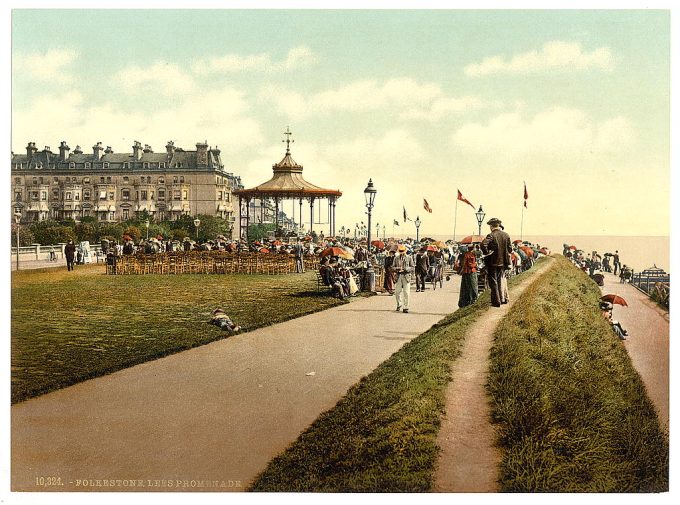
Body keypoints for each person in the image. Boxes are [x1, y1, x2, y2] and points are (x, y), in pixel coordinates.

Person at [481, 218, 512, 307]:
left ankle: (496, 301)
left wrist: (487, 252)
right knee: (500, 280)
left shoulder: (491, 235)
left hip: (493, 262)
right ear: (498, 225)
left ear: (491, 226)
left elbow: (483, 244)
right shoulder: (506, 235)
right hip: (503, 262)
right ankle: (502, 298)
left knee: (493, 281)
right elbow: (510, 249)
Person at [393, 244, 415, 313]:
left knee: (406, 292)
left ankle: (406, 307)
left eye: (402, 251)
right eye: (400, 251)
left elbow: (412, 267)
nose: (401, 252)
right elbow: (393, 267)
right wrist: (397, 269)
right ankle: (399, 304)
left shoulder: (409, 258)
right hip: (399, 276)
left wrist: (405, 269)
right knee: (397, 292)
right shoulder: (396, 258)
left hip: (406, 276)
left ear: (405, 251)